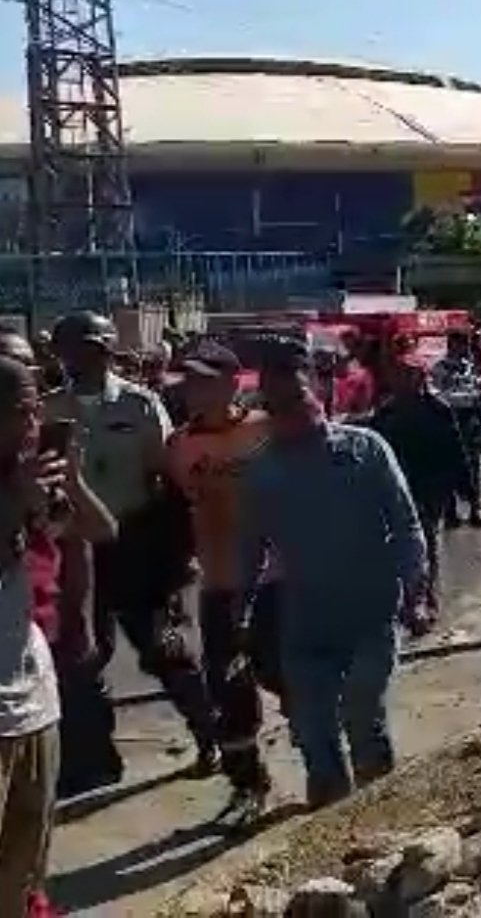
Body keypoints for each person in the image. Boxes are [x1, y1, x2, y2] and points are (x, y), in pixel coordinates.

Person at [236, 340, 427, 809]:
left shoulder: (365, 450)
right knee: (312, 731)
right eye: (274, 405)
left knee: (363, 717)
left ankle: (381, 813)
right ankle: (329, 826)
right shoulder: (262, 471)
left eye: (296, 398)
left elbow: (406, 525)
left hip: (370, 614)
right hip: (305, 624)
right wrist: (238, 619)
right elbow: (249, 554)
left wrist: (417, 593)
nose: (288, 413)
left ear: (319, 390)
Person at [45, 312, 218, 787]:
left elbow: (167, 482)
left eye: (82, 348)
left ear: (103, 350)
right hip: (77, 550)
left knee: (164, 650)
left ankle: (213, 738)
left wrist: (177, 558)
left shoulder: (141, 405)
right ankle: (94, 762)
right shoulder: (47, 409)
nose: (73, 358)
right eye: (66, 349)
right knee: (82, 658)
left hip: (137, 543)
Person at [0, 353, 115, 917]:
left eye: (36, 410)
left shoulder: (33, 477)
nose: (33, 425)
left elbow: (97, 531)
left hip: (33, 700)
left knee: (24, 871)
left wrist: (68, 481)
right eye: (22, 412)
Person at [165, 340, 274, 825]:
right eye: (189, 380)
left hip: (275, 580)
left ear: (234, 383)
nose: (194, 389)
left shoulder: (265, 430)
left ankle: (327, 756)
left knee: (289, 677)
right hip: (218, 585)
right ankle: (248, 784)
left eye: (206, 379)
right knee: (227, 687)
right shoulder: (179, 445)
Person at [370, 355, 470, 617]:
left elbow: (456, 448)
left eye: (411, 375)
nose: (404, 380)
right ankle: (408, 598)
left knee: (428, 541)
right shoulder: (385, 413)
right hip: (397, 486)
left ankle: (427, 598)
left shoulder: (439, 409)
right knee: (400, 543)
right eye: (400, 375)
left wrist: (465, 487)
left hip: (431, 485)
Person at [430, 332, 481, 529]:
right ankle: (450, 510)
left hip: (470, 420)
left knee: (472, 464)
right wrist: (459, 397)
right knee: (449, 464)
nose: (464, 348)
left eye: (466, 344)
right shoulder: (440, 368)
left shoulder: (469, 368)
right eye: (461, 344)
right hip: (449, 419)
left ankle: (475, 506)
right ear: (451, 345)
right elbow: (435, 393)